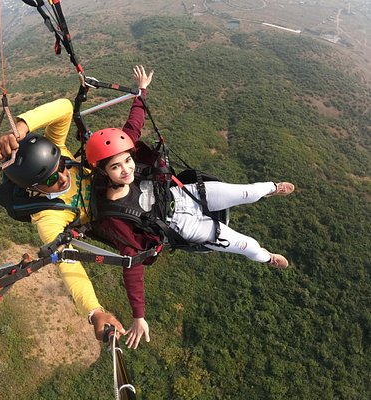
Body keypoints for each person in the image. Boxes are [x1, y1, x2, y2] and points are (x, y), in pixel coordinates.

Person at [85, 66, 295, 349]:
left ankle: (272, 189)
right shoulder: (114, 215)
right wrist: (139, 316)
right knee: (246, 245)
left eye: (127, 161)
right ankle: (266, 257)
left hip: (185, 194)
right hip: (184, 226)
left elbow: (133, 126)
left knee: (247, 191)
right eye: (116, 167)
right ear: (103, 172)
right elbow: (131, 264)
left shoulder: (126, 155)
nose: (126, 169)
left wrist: (141, 91)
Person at [0, 96, 125, 340]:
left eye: (62, 167)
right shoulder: (47, 216)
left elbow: (65, 107)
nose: (63, 177)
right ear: (34, 188)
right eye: (51, 181)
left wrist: (23, 126)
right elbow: (68, 263)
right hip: (113, 213)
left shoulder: (59, 153)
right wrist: (94, 312)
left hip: (118, 182)